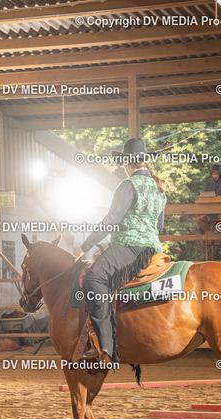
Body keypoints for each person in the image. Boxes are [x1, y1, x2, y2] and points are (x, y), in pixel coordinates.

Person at [74, 138, 167, 363]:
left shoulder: (127, 185)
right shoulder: (159, 188)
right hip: (153, 249)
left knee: (94, 278)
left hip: (129, 247)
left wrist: (84, 246)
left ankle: (104, 346)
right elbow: (159, 226)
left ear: (127, 163)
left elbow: (112, 220)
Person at [196, 164, 221, 260]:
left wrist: (219, 198)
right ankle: (210, 234)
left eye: (217, 174)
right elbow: (203, 197)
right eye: (213, 174)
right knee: (198, 219)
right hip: (210, 212)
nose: (215, 176)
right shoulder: (208, 185)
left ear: (220, 174)